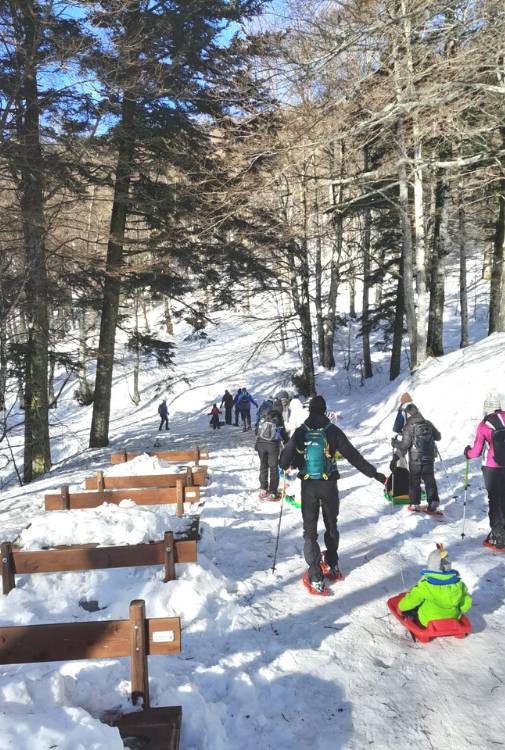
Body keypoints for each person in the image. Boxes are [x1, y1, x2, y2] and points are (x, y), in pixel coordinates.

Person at [279, 395, 386, 594]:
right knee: (331, 525)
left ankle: (315, 575)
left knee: (310, 532)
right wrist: (377, 475)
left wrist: (288, 464)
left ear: (310, 410)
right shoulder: (333, 431)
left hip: (309, 486)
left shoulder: (302, 431)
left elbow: (284, 459)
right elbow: (354, 457)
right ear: (325, 409)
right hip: (329, 486)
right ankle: (333, 563)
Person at [464, 393, 505, 549]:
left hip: (492, 468)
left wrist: (467, 452)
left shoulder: (484, 425)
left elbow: (475, 452)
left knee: (495, 501)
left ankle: (498, 536)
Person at [398, 545, 472, 627]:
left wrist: (401, 607)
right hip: (452, 619)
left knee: (415, 606)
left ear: (431, 565)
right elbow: (466, 601)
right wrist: (460, 610)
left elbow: (412, 600)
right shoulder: (459, 585)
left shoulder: (426, 585)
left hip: (428, 621)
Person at [393, 403, 441, 512]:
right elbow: (438, 437)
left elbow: (405, 445)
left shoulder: (408, 427)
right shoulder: (428, 423)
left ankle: (414, 504)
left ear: (408, 414)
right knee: (429, 479)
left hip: (415, 459)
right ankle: (433, 501)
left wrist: (395, 443)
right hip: (429, 458)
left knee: (414, 480)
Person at [255, 403, 288, 500]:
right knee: (273, 468)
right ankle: (273, 491)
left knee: (263, 466)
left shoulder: (264, 416)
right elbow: (283, 433)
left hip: (260, 444)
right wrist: (287, 442)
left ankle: (263, 488)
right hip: (272, 445)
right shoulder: (278, 418)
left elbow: (256, 430)